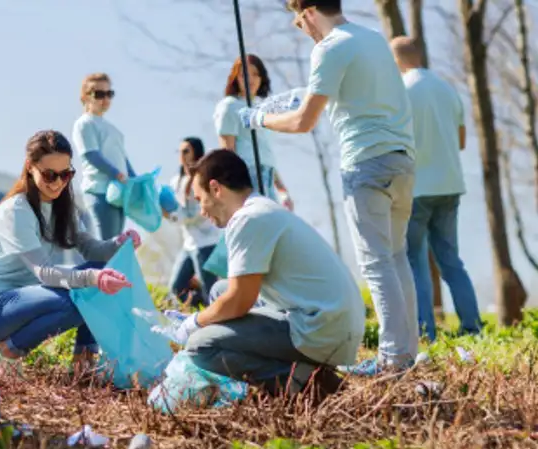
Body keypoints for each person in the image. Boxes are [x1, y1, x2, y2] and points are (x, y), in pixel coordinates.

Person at [239, 0, 419, 376]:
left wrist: (261, 118)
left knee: (376, 261)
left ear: (308, 12)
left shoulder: (329, 47)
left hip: (366, 163)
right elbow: (354, 87)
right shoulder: (372, 39)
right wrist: (302, 91)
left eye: (297, 19)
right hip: (402, 160)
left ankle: (393, 360)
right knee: (397, 256)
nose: (298, 28)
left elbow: (304, 122)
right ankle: (406, 353)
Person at [171, 150, 365, 395]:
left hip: (322, 328)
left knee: (201, 346)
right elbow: (233, 293)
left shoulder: (247, 219)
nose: (201, 211)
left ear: (216, 188)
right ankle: (300, 368)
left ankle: (307, 382)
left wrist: (194, 322)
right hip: (332, 320)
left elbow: (240, 301)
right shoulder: (261, 209)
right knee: (220, 290)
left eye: (200, 199)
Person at [0, 130, 142, 370]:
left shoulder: (62, 208)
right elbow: (44, 272)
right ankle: (4, 352)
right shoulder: (16, 211)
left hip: (28, 300)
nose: (58, 183)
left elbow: (92, 251)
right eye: (49, 175)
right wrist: (92, 279)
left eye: (66, 174)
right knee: (84, 293)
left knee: (96, 279)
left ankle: (84, 361)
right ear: (30, 167)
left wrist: (118, 243)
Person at [390, 37, 482, 342]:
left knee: (415, 261)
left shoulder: (401, 91)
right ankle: (472, 329)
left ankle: (425, 333)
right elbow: (461, 141)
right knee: (451, 260)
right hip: (450, 186)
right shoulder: (447, 89)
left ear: (397, 59)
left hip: (417, 187)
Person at [214, 55, 293, 208]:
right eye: (244, 74)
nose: (251, 79)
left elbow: (265, 153)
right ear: (235, 78)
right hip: (247, 176)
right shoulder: (230, 106)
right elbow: (227, 152)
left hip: (267, 177)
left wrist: (282, 189)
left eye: (256, 74)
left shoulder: (262, 110)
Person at [72, 73, 137, 240]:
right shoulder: (84, 123)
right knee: (107, 245)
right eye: (99, 94)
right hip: (99, 190)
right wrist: (117, 173)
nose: (105, 99)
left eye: (109, 94)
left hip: (118, 192)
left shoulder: (113, 129)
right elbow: (91, 155)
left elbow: (123, 159)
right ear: (85, 97)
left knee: (116, 245)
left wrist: (134, 179)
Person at [164, 137, 220, 307]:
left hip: (206, 242)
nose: (182, 155)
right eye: (179, 151)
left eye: (186, 151)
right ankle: (201, 309)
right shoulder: (176, 181)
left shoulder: (205, 177)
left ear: (197, 152)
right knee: (176, 288)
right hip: (188, 244)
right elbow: (173, 207)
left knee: (210, 290)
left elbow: (201, 212)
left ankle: (218, 320)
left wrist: (174, 216)